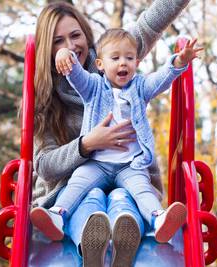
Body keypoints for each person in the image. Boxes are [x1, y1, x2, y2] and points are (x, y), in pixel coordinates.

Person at [30, 1, 193, 266]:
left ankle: (128, 237)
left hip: (127, 173)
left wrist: (177, 63)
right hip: (74, 186)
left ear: (86, 33)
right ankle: (87, 239)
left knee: (125, 197)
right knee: (89, 198)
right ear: (47, 50)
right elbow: (44, 166)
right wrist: (87, 144)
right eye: (59, 41)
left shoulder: (116, 57)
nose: (70, 47)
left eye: (75, 35)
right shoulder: (50, 95)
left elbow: (152, 22)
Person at [47, 28, 201, 244]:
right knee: (77, 183)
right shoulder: (93, 87)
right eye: (115, 58)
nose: (123, 63)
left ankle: (159, 219)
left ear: (136, 63)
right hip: (97, 164)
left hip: (130, 165)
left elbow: (160, 80)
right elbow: (76, 75)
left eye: (129, 58)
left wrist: (178, 63)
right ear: (100, 65)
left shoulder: (139, 88)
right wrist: (66, 55)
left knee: (142, 190)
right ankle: (57, 216)